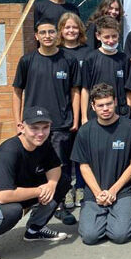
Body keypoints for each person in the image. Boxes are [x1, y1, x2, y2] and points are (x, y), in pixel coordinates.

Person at [0, 106, 69, 259]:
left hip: (14, 191)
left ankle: (34, 230)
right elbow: (4, 196)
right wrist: (41, 191)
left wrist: (51, 185)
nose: (40, 133)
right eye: (34, 128)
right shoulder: (9, 151)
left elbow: (54, 167)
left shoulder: (42, 143)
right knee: (11, 211)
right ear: (21, 127)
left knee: (62, 181)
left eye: (45, 127)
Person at [12, 19, 80, 226]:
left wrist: (76, 118)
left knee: (60, 166)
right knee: (35, 167)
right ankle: (36, 204)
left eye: (51, 31)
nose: (48, 36)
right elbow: (17, 92)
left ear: (57, 34)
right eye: (43, 32)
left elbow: (75, 91)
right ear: (36, 36)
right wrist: (18, 121)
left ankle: (59, 205)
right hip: (33, 126)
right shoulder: (27, 61)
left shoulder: (68, 60)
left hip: (60, 123)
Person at [71, 83, 131, 245]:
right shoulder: (85, 131)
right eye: (100, 105)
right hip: (95, 191)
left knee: (120, 235)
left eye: (109, 103)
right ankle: (105, 215)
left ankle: (126, 209)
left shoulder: (130, 128)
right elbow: (84, 166)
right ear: (93, 106)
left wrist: (114, 190)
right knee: (90, 236)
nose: (105, 109)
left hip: (123, 191)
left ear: (115, 102)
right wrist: (97, 193)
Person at [55, 12, 91, 209]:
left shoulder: (88, 52)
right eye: (67, 27)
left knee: (82, 152)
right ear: (61, 30)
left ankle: (82, 187)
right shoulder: (56, 52)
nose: (71, 30)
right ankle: (67, 189)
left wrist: (83, 115)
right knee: (65, 154)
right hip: (62, 111)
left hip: (84, 111)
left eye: (74, 27)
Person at [81, 16, 131, 121]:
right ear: (98, 36)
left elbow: (128, 91)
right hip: (96, 116)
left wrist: (130, 114)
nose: (111, 40)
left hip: (120, 114)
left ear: (119, 35)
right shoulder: (90, 58)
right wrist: (84, 117)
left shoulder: (124, 59)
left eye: (114, 36)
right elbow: (85, 89)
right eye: (107, 37)